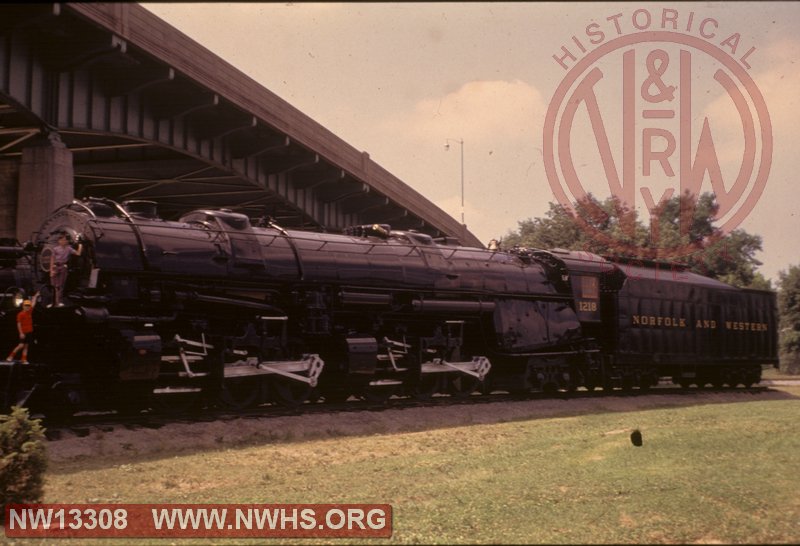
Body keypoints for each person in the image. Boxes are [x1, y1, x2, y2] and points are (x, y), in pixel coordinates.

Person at [50, 232, 82, 307]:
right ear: (59, 241)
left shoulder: (69, 249)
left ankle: (59, 302)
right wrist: (51, 270)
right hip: (55, 267)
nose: (63, 241)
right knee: (54, 285)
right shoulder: (55, 249)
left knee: (61, 285)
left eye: (65, 240)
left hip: (63, 267)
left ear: (67, 241)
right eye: (62, 240)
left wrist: (80, 245)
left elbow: (78, 253)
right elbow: (52, 259)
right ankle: (54, 302)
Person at [6, 293, 39, 363]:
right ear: (23, 306)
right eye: (26, 306)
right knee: (21, 345)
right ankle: (10, 356)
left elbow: (33, 303)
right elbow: (18, 324)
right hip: (23, 332)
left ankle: (23, 359)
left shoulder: (29, 312)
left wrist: (35, 296)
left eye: (28, 306)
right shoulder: (20, 314)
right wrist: (21, 333)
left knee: (26, 346)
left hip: (29, 332)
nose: (27, 307)